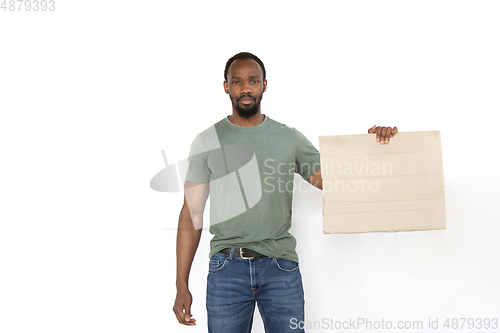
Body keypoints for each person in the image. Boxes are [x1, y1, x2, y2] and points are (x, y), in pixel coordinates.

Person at [172, 52, 398, 332]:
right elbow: (191, 213)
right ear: (226, 86)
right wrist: (181, 284)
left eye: (253, 81)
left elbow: (331, 179)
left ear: (264, 85)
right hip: (226, 270)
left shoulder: (288, 138)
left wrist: (371, 147)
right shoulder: (207, 141)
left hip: (280, 268)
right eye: (237, 81)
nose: (246, 88)